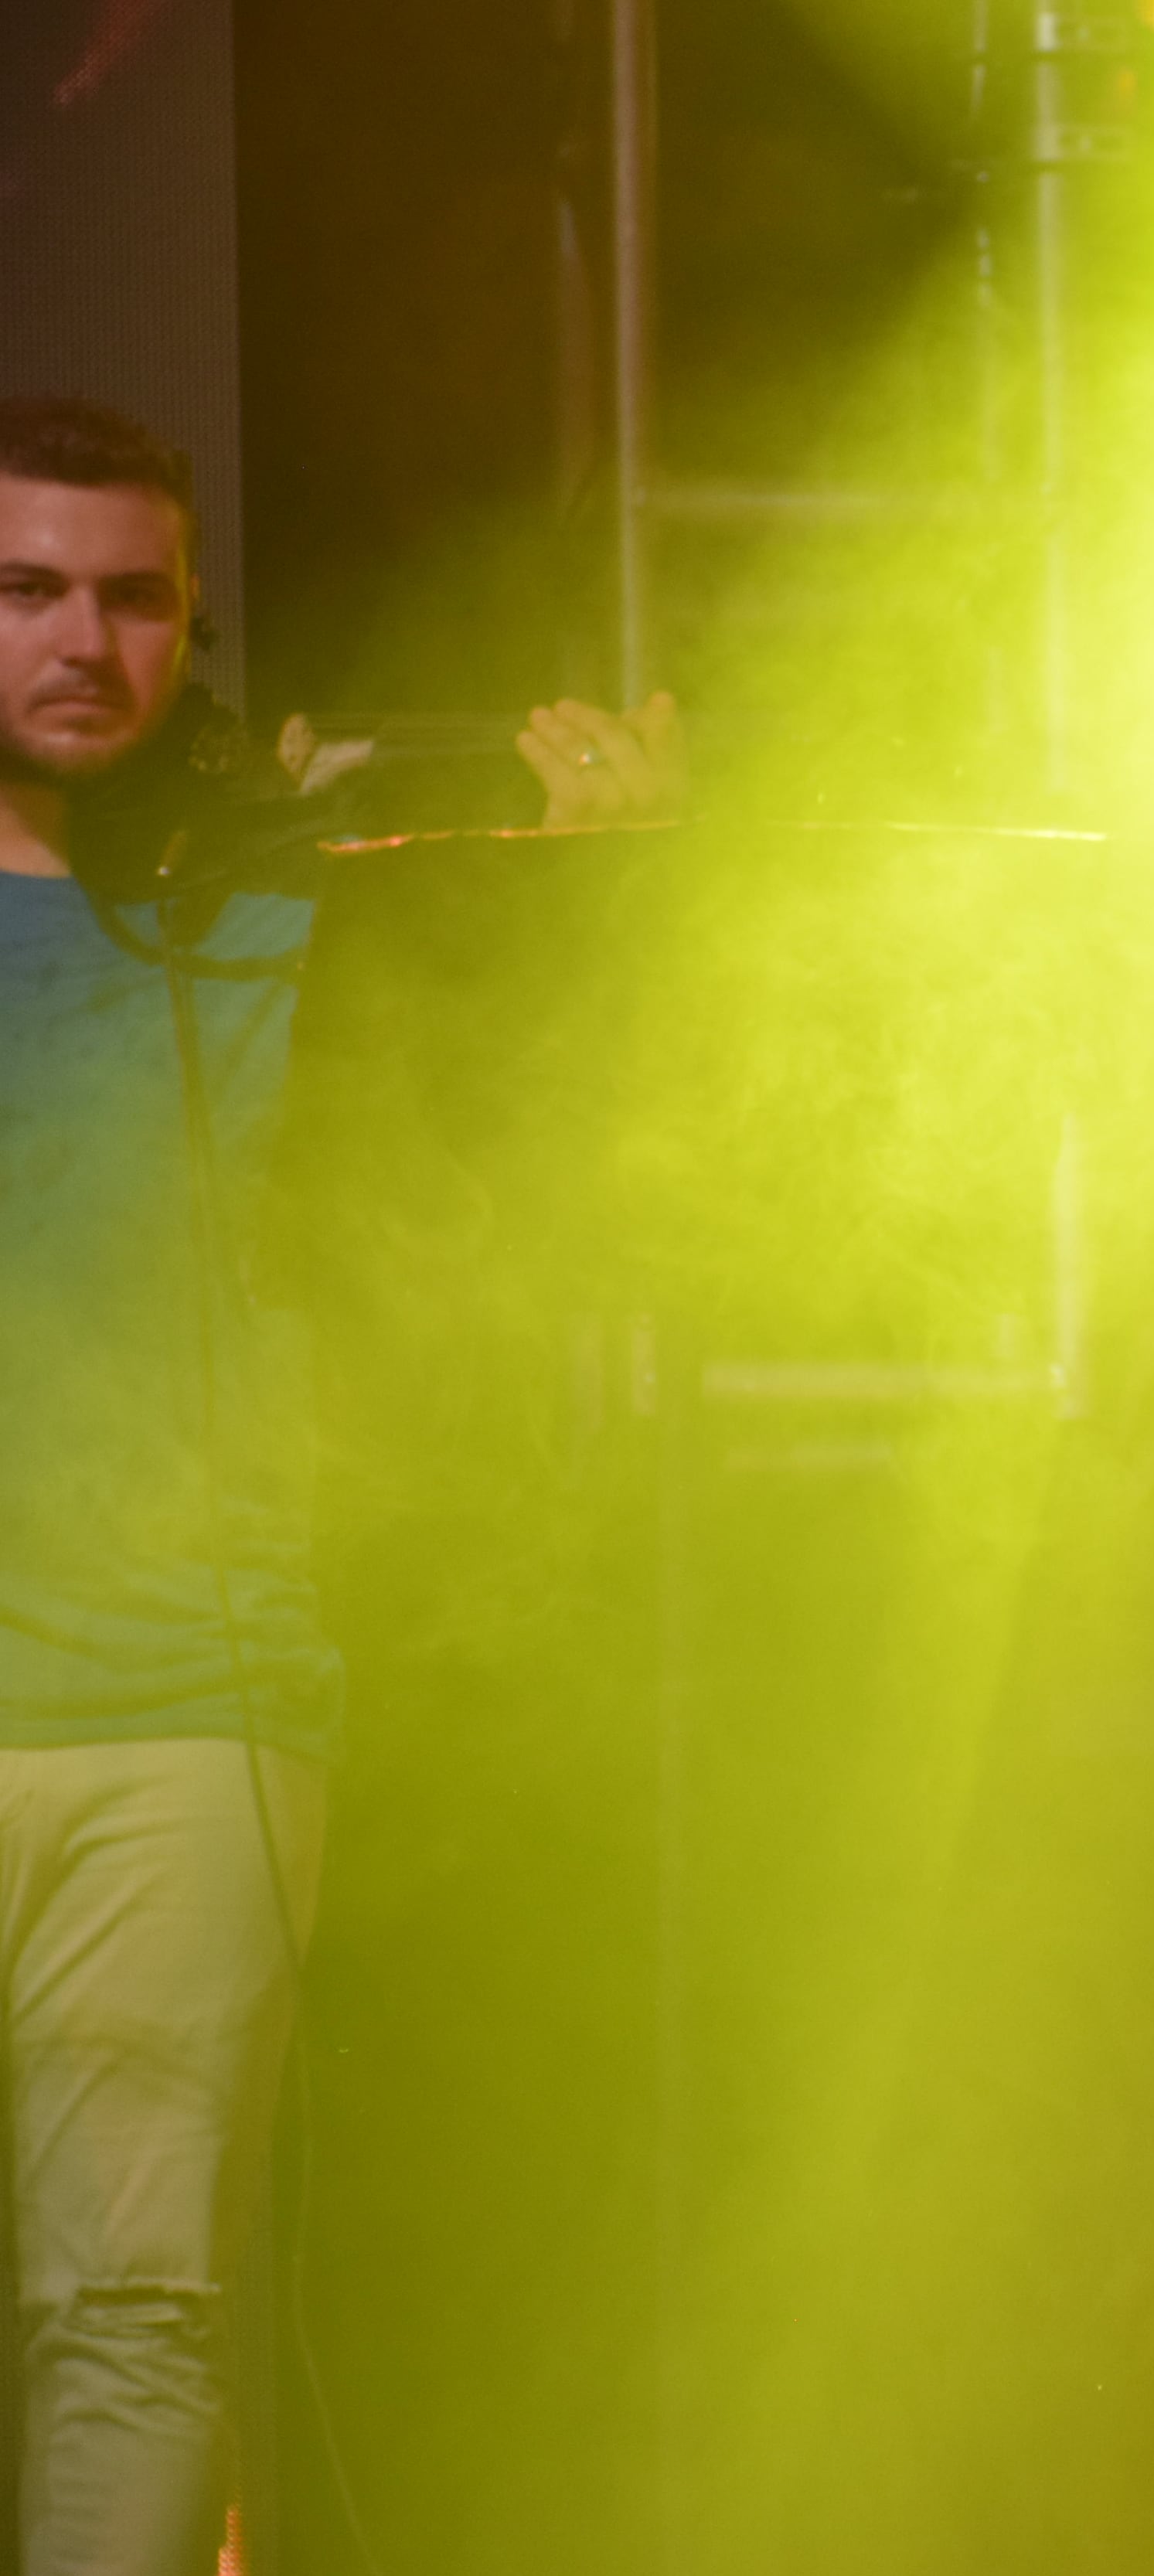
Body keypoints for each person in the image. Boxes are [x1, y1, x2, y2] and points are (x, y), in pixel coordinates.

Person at [0, 391, 676, 2571]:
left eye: (134, 600)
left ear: (196, 630)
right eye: (25, 591)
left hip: (191, 1709)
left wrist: (612, 896)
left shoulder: (292, 920)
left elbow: (560, 1198)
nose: (83, 643)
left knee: (137, 2306)